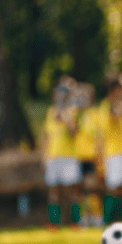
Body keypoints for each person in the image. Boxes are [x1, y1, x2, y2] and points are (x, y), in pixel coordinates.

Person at [42, 75, 81, 230]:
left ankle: (75, 222)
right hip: (53, 156)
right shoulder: (51, 112)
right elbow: (46, 136)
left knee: (72, 191)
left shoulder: (74, 111)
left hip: (69, 156)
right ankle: (53, 223)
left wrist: (66, 118)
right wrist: (44, 157)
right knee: (54, 191)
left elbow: (74, 132)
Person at [98, 71, 122, 224]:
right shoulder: (107, 107)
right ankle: (108, 220)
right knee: (113, 188)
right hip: (112, 154)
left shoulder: (121, 106)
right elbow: (114, 115)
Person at [72, 82, 103, 227]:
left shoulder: (94, 115)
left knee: (91, 188)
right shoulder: (74, 115)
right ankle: (83, 217)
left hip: (90, 157)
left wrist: (99, 157)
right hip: (76, 157)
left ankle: (96, 217)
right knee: (79, 190)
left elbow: (99, 138)